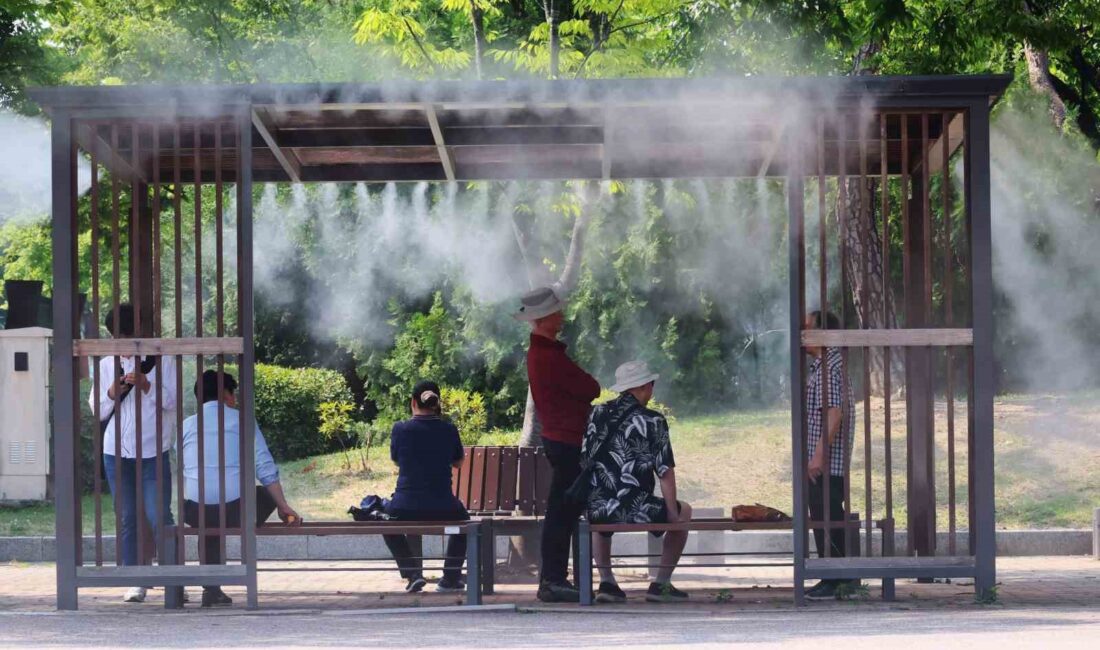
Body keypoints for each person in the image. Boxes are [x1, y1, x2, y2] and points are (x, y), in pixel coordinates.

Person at [181, 370, 301, 607]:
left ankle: (211, 588)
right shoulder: (242, 421)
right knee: (262, 494)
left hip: (195, 511)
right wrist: (282, 505)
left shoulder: (186, 425)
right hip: (237, 512)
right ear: (226, 394)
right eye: (232, 392)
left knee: (209, 521)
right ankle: (216, 586)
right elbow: (264, 466)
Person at [515, 287, 601, 603]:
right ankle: (552, 579)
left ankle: (556, 578)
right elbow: (590, 387)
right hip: (566, 439)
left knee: (562, 511)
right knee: (561, 512)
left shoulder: (544, 353)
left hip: (561, 437)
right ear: (544, 318)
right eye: (557, 312)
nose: (562, 316)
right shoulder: (548, 356)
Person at [88, 303, 178, 604]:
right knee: (127, 516)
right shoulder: (104, 365)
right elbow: (97, 411)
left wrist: (146, 384)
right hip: (115, 452)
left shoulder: (160, 360)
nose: (123, 344)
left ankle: (173, 579)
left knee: (158, 514)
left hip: (153, 450)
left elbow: (171, 402)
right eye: (118, 337)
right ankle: (135, 580)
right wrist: (113, 392)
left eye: (127, 336)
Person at [582, 360, 692, 603]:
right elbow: (665, 471)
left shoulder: (597, 413)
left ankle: (607, 583)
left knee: (600, 508)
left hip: (598, 508)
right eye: (651, 384)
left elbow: (585, 458)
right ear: (644, 386)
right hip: (636, 507)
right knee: (685, 510)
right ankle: (661, 584)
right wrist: (673, 513)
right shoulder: (654, 420)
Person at [382, 381, 470, 593]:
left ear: (413, 402)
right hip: (443, 506)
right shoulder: (448, 429)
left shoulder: (400, 429)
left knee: (385, 521)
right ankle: (450, 578)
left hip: (404, 507)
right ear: (437, 404)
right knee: (465, 523)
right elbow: (458, 462)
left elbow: (396, 460)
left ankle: (412, 573)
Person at [803, 310, 856, 600]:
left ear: (823, 333)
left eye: (808, 328)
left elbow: (834, 413)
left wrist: (818, 456)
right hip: (827, 461)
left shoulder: (828, 368)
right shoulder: (828, 365)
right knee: (828, 513)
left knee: (826, 514)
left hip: (826, 463)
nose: (803, 334)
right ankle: (838, 576)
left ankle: (833, 578)